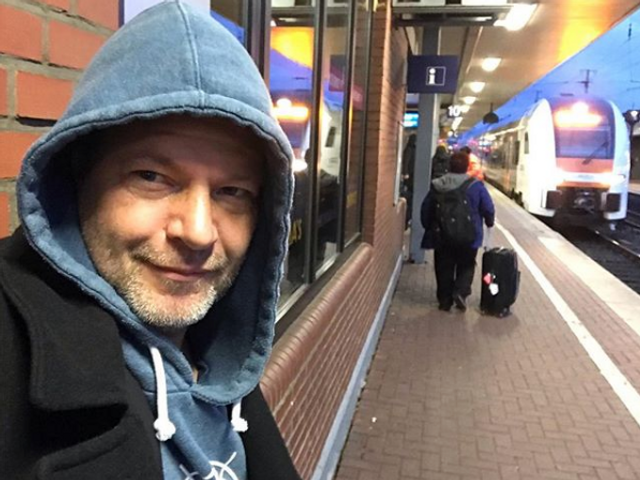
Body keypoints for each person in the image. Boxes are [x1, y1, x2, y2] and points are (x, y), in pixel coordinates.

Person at [0, 2, 301, 479]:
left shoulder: (220, 351)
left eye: (232, 192)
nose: (198, 232)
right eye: (151, 176)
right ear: (77, 178)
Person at [420, 151, 495, 312]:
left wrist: (429, 227)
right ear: (467, 167)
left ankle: (445, 300)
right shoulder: (476, 186)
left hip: (442, 234)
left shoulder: (438, 185)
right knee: (467, 264)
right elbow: (488, 208)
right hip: (469, 235)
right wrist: (489, 222)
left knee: (443, 266)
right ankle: (461, 291)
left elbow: (426, 209)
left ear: (449, 166)